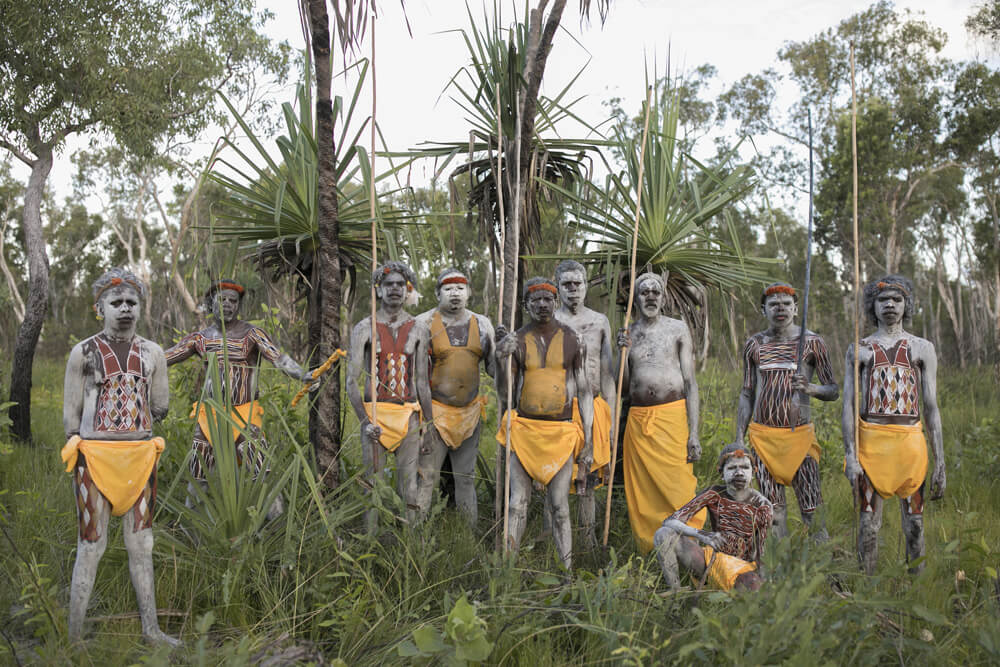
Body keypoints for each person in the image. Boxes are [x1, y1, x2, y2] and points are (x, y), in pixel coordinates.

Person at [61, 268, 179, 645]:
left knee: (142, 545)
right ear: (100, 308)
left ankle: (152, 630)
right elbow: (71, 417)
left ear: (140, 307)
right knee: (91, 546)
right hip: (94, 459)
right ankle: (74, 638)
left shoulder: (153, 352)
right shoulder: (83, 352)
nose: (125, 308)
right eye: (116, 303)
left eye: (132, 302)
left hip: (140, 458)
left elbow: (160, 404)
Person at [165, 279, 312, 517]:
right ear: (210, 303)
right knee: (198, 477)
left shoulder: (251, 334)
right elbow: (167, 356)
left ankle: (275, 532)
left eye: (233, 301)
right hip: (209, 418)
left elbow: (278, 358)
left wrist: (303, 374)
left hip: (244, 415)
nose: (227, 305)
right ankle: (192, 534)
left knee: (261, 473)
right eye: (221, 299)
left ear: (239, 306)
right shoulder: (200, 339)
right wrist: (137, 360)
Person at [843, 275, 946, 574]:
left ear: (906, 305)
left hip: (910, 446)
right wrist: (850, 456)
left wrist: (940, 461)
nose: (889, 304)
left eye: (897, 299)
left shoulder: (922, 348)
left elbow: (931, 408)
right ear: (871, 306)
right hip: (871, 445)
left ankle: (917, 589)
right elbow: (848, 407)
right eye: (882, 299)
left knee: (915, 524)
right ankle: (867, 590)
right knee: (868, 526)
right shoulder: (859, 348)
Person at [495, 277, 594, 568]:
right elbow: (505, 392)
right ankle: (507, 571)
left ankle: (566, 572)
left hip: (560, 433)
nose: (542, 304)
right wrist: (501, 357)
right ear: (526, 305)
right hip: (525, 430)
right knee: (516, 505)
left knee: (560, 507)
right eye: (535, 300)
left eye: (548, 299)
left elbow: (585, 391)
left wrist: (587, 440)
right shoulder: (517, 340)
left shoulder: (573, 338)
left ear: (556, 302)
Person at [736, 282, 838, 538]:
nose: (780, 308)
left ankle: (820, 572)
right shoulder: (754, 345)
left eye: (785, 304)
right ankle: (779, 573)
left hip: (799, 440)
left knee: (812, 512)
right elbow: (747, 392)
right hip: (762, 439)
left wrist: (811, 388)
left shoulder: (813, 343)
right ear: (763, 310)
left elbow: (833, 390)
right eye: (773, 304)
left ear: (795, 308)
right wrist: (739, 438)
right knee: (774, 513)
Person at [617, 272, 705, 553]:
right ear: (636, 298)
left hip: (672, 418)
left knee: (679, 486)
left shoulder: (677, 329)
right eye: (644, 292)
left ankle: (690, 547)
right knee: (643, 493)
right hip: (639, 422)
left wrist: (694, 434)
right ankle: (652, 550)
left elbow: (690, 383)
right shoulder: (629, 332)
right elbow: (625, 389)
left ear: (664, 296)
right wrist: (621, 354)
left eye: (656, 291)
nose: (651, 296)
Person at [347, 261, 432, 529]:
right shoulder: (364, 328)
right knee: (372, 485)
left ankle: (410, 547)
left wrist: (427, 426)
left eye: (400, 285)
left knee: (409, 486)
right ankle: (370, 544)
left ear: (407, 291)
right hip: (375, 416)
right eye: (388, 284)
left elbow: (422, 382)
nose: (395, 289)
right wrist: (365, 422)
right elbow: (351, 381)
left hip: (408, 416)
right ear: (379, 290)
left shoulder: (419, 328)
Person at [415, 268, 496, 525]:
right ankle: (414, 537)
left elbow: (493, 369)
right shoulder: (423, 323)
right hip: (434, 413)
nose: (455, 294)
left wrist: (505, 352)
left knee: (466, 478)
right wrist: (426, 423)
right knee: (427, 477)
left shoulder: (482, 324)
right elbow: (416, 376)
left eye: (460, 288)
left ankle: (467, 537)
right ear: (438, 293)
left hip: (469, 414)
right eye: (448, 289)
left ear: (469, 293)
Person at [553, 260, 615, 547]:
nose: (573, 290)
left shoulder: (600, 321)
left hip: (594, 408)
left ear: (586, 286)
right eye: (566, 285)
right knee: (555, 478)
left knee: (588, 478)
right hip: (559, 410)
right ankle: (552, 541)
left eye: (577, 284)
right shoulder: (549, 319)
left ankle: (589, 543)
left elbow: (608, 374)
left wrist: (612, 420)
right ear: (557, 288)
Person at [653, 443, 773, 591]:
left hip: (742, 569)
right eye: (731, 468)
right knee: (663, 534)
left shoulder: (763, 506)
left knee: (753, 586)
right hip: (711, 560)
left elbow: (763, 553)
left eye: (744, 467)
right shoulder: (714, 493)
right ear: (721, 473)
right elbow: (670, 521)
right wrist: (703, 536)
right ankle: (675, 592)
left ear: (753, 472)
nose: (739, 473)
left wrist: (761, 579)